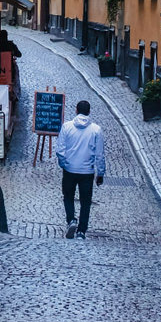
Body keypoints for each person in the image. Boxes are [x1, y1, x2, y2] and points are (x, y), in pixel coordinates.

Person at [57, 99, 105, 239]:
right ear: (89, 112)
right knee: (85, 201)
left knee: (68, 196)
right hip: (87, 172)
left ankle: (71, 220)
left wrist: (64, 164)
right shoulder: (96, 130)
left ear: (76, 111)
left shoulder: (67, 127)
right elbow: (100, 154)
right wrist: (100, 173)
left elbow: (60, 150)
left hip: (70, 169)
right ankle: (81, 231)